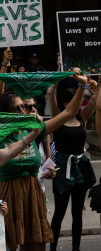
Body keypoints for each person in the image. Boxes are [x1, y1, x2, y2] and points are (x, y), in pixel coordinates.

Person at [0, 68, 87, 251]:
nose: (24, 110)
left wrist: (82, 85)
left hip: (33, 194)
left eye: (23, 107)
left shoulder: (34, 131)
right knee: (8, 245)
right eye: (17, 108)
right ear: (5, 113)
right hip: (8, 196)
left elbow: (69, 113)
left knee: (36, 245)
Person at [47, 85, 97, 251]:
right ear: (64, 103)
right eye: (70, 102)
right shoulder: (58, 118)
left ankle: (76, 248)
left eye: (77, 102)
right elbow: (51, 97)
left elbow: (93, 102)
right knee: (59, 211)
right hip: (63, 168)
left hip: (80, 166)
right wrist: (52, 88)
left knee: (77, 211)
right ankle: (53, 248)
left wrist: (91, 85)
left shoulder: (82, 117)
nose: (74, 106)